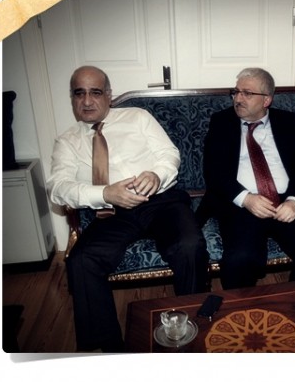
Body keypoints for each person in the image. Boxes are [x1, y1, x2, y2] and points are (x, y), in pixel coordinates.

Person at [47, 66, 208, 352]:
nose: (87, 101)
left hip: (161, 201)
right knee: (81, 260)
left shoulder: (138, 117)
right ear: (72, 98)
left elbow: (168, 154)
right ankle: (109, 349)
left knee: (188, 245)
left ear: (109, 95)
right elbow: (58, 187)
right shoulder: (67, 141)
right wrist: (105, 193)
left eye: (96, 92)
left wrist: (157, 175)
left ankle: (193, 324)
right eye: (79, 93)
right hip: (111, 211)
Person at [197, 67, 295, 289]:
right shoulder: (221, 122)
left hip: (285, 201)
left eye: (247, 93)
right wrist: (246, 198)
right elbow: (214, 171)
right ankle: (244, 308)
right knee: (240, 260)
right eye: (236, 92)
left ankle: (294, 302)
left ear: (267, 100)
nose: (238, 99)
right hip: (243, 204)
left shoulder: (287, 121)